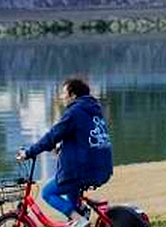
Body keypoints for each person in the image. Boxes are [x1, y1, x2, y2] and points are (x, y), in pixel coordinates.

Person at [18, 77, 114, 227]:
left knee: (48, 193)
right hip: (102, 167)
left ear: (73, 95)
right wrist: (60, 148)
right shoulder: (94, 110)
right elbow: (84, 138)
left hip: (84, 169)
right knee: (71, 189)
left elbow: (52, 136)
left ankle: (79, 220)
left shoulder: (74, 112)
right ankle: (80, 211)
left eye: (64, 93)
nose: (62, 97)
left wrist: (29, 152)